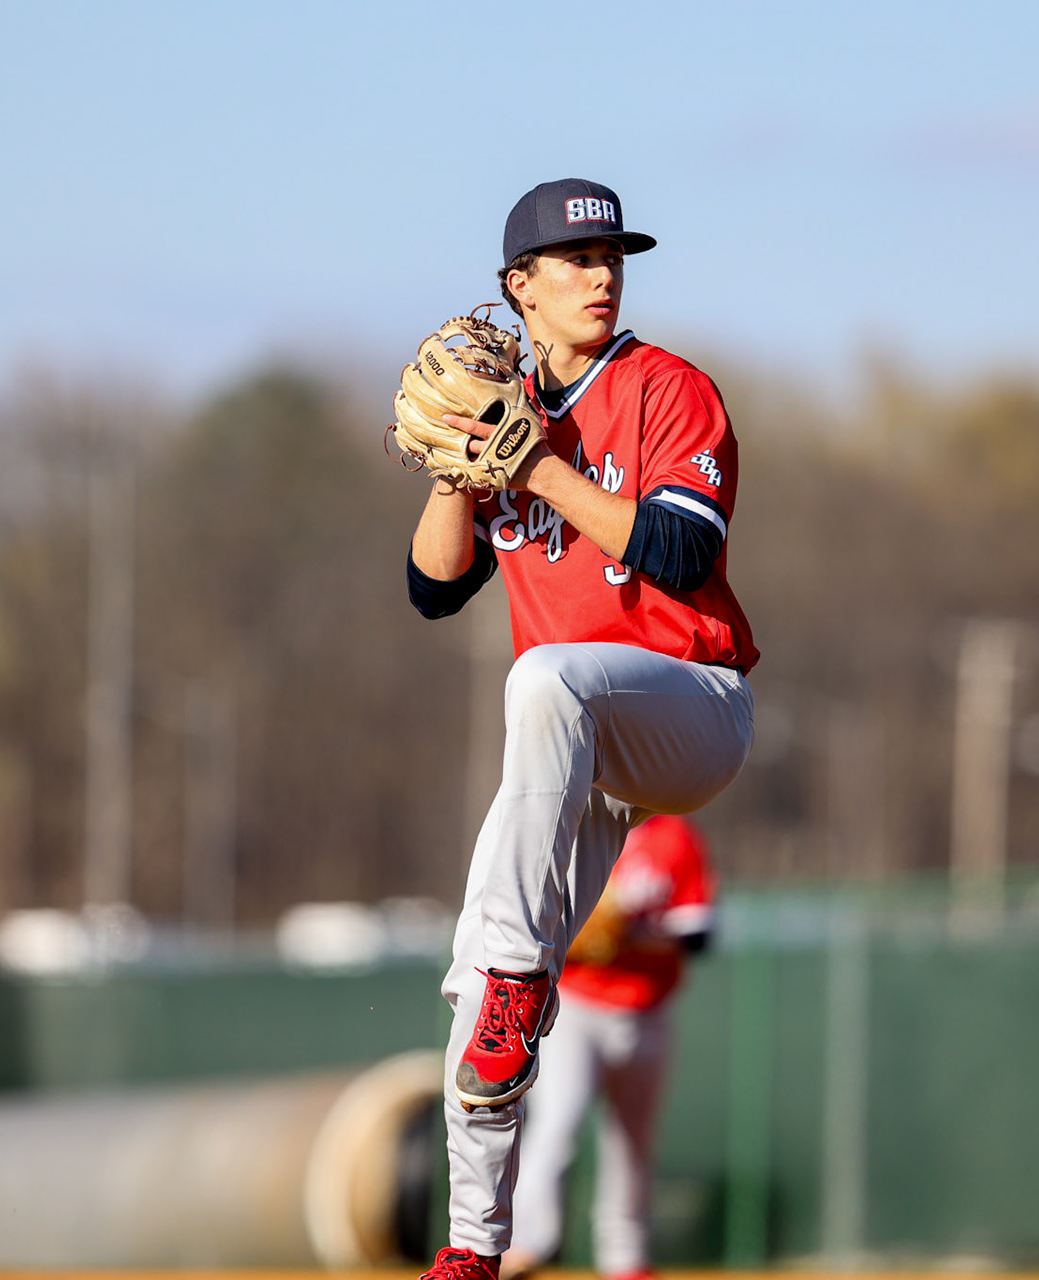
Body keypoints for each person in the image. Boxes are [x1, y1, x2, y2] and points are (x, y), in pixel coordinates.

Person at [404, 178, 757, 1280]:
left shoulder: (669, 388)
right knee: (477, 975)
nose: (600, 275)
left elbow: (678, 555)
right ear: (520, 287)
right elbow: (430, 589)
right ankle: (474, 1242)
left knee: (545, 674)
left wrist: (537, 465)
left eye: (612, 257)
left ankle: (520, 978)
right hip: (578, 747)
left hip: (689, 704)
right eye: (573, 260)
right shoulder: (508, 407)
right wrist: (456, 468)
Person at [501, 814, 718, 1280]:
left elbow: (699, 934)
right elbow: (532, 915)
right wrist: (581, 935)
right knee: (557, 1125)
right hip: (577, 1008)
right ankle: (526, 1245)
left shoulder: (673, 837)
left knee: (633, 1144)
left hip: (647, 1011)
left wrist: (630, 934)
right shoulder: (581, 826)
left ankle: (626, 1261)